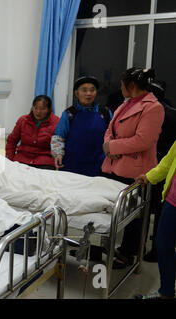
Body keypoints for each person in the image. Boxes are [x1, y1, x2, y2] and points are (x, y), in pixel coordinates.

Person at [100, 67, 165, 269]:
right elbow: (111, 129)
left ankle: (129, 254)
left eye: (122, 85)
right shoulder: (127, 103)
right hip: (115, 163)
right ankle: (114, 247)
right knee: (118, 210)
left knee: (134, 216)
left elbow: (144, 140)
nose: (120, 88)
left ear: (132, 86)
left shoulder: (153, 108)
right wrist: (109, 145)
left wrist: (113, 147)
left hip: (137, 170)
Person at [135, 141, 176, 299]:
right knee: (163, 244)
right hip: (172, 201)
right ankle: (166, 292)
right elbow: (167, 162)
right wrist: (149, 177)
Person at [51, 76, 112, 177]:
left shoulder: (105, 113)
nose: (88, 93)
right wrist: (58, 154)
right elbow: (58, 137)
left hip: (99, 165)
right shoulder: (69, 114)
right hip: (72, 165)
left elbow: (113, 135)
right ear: (77, 93)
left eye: (92, 90)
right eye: (84, 90)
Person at [144, 81, 176, 262]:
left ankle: (153, 249)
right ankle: (155, 248)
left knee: (153, 209)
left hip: (160, 167)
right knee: (158, 211)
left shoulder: (158, 114)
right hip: (161, 169)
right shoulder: (169, 112)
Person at [6, 95, 59, 169]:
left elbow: (59, 146)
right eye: (35, 108)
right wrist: (10, 159)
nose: (38, 112)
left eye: (42, 109)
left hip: (44, 161)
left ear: (49, 109)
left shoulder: (56, 122)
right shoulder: (23, 120)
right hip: (22, 159)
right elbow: (12, 141)